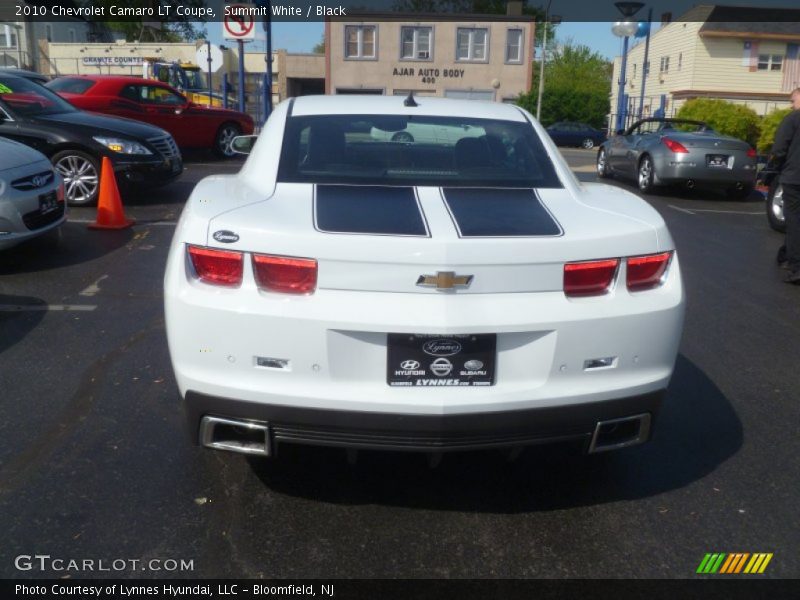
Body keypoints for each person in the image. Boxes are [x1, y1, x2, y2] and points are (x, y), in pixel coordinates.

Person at [771, 87, 800, 284]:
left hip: (795, 177)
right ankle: (785, 254)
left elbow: (780, 148)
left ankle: (796, 266)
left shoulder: (792, 119)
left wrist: (775, 167)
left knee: (794, 220)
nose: (791, 104)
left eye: (793, 100)